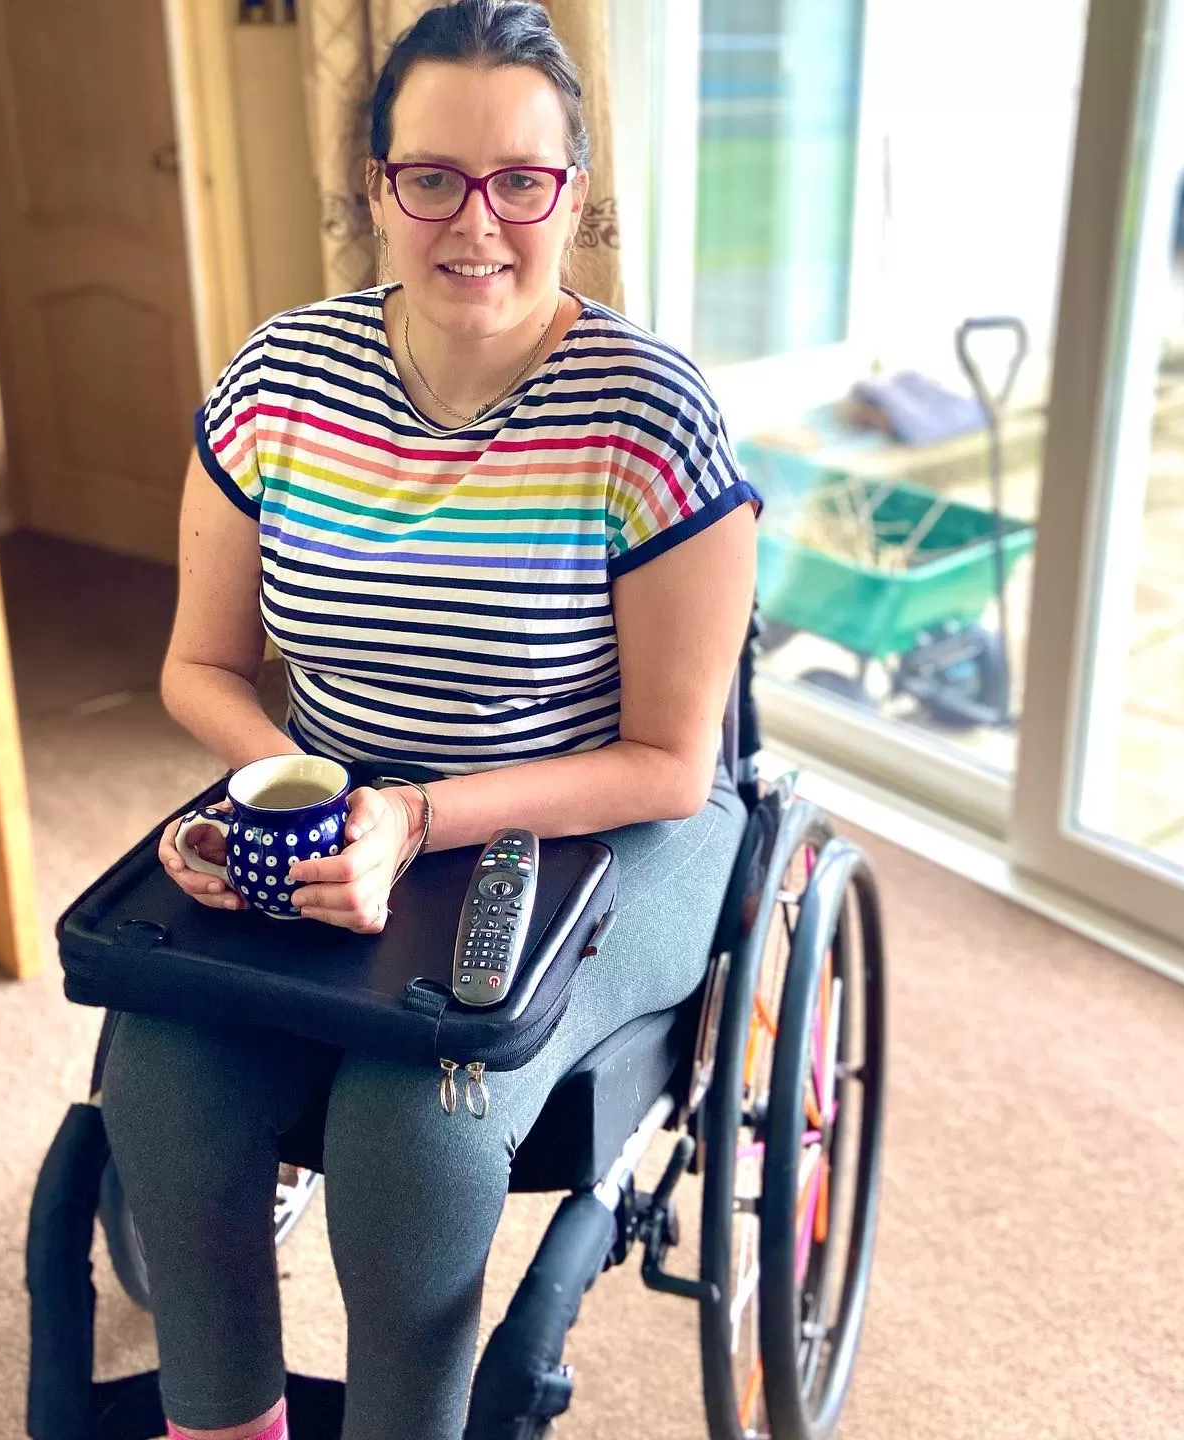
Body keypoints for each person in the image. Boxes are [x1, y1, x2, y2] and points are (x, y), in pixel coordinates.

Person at [99, 4, 761, 1438]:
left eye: (521, 178)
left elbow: (667, 763)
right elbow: (200, 668)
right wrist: (287, 795)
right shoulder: (279, 379)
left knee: (414, 1141)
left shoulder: (652, 417)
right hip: (351, 802)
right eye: (434, 177)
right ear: (378, 188)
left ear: (573, 194)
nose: (480, 220)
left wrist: (415, 818)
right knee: (157, 1074)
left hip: (605, 823)